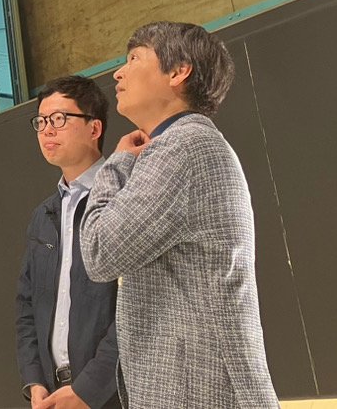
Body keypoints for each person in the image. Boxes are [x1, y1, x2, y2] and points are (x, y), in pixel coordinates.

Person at [80, 22, 278, 409]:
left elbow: (99, 251)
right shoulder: (188, 144)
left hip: (198, 392)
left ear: (177, 71)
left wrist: (116, 164)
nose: (118, 72)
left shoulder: (182, 148)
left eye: (134, 58)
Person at [16, 76, 121, 409]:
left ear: (94, 129)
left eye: (60, 119)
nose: (47, 130)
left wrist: (89, 389)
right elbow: (26, 306)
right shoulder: (43, 216)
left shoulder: (124, 195)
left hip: (116, 393)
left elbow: (140, 305)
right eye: (41, 121)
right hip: (53, 394)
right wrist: (34, 381)